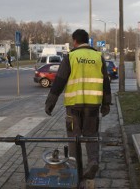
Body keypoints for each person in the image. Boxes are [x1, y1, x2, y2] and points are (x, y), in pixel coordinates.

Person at [44, 29, 112, 180]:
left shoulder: (71, 57)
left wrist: (50, 103)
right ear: (87, 41)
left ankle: (75, 168)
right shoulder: (98, 57)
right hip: (93, 106)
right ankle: (93, 161)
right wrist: (106, 104)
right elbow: (105, 82)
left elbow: (59, 82)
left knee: (74, 137)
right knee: (91, 135)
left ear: (75, 41)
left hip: (74, 106)